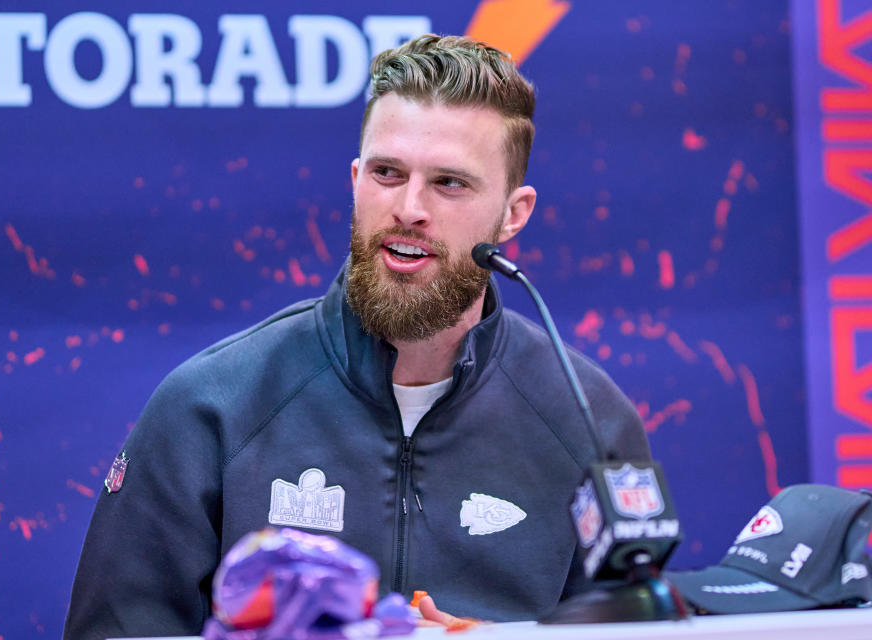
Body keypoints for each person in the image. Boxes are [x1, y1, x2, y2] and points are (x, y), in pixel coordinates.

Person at [63, 34, 650, 639]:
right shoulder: (211, 407)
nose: (409, 207)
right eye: (387, 173)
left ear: (513, 213)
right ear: (355, 179)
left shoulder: (588, 420)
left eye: (450, 183)